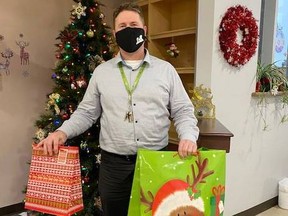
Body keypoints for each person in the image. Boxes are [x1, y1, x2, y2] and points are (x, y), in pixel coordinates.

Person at [36, 2, 199, 216]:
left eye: (134, 24)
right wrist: (61, 132)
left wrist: (188, 136)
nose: (128, 29)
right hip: (114, 167)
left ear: (144, 29)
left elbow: (183, 110)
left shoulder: (165, 71)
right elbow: (86, 112)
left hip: (155, 161)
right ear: (114, 33)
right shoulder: (102, 73)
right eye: (122, 26)